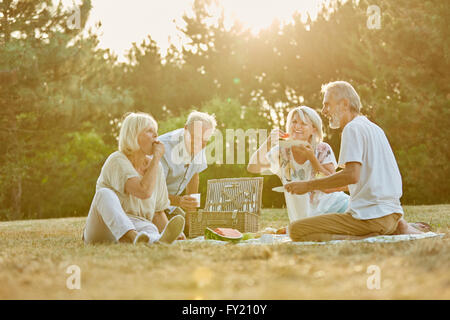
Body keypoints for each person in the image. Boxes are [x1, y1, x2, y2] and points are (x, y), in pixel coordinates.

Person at [285, 81, 425, 241]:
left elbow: (351, 175)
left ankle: (361, 237)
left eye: (327, 105)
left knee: (296, 229)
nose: (324, 111)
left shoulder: (352, 129)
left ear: (344, 104)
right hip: (392, 215)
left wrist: (308, 185)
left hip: (369, 219)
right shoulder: (373, 128)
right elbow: (361, 178)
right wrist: (325, 185)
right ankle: (386, 229)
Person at [83, 112, 185, 245]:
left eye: (156, 132)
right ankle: (132, 237)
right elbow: (143, 191)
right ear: (133, 135)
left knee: (150, 228)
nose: (155, 136)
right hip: (104, 227)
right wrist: (156, 158)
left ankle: (156, 240)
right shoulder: (117, 160)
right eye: (149, 131)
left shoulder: (156, 167)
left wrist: (170, 232)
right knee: (104, 194)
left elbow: (158, 212)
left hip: (139, 224)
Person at [248, 106, 350, 223]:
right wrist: (268, 143)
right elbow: (253, 167)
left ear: (314, 130)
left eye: (303, 123)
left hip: (337, 208)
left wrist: (312, 158)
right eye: (294, 122)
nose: (297, 126)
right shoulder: (282, 152)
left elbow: (330, 185)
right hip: (303, 220)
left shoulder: (322, 149)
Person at [158, 111, 216, 222]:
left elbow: (194, 175)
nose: (199, 144)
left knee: (194, 227)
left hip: (171, 206)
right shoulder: (164, 147)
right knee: (171, 233)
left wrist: (191, 212)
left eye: (204, 140)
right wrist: (179, 201)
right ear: (186, 129)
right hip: (152, 206)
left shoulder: (200, 144)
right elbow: (154, 192)